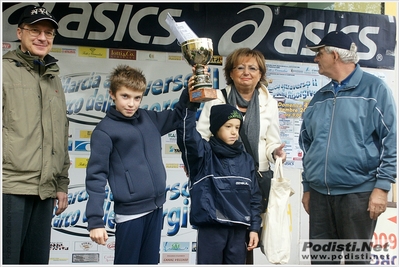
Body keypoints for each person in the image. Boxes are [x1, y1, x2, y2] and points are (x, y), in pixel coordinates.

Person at [299, 31, 397, 264]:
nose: (315, 59)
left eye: (319, 53)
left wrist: (382, 188)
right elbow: (307, 144)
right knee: (322, 262)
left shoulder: (375, 90)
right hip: (320, 197)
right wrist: (307, 187)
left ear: (334, 55)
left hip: (358, 196)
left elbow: (390, 140)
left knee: (355, 261)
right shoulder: (319, 97)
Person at [85, 65, 186, 264]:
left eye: (137, 98)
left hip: (156, 208)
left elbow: (177, 116)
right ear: (112, 94)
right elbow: (96, 178)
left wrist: (190, 92)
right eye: (125, 96)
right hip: (130, 214)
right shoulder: (104, 131)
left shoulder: (149, 118)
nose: (131, 104)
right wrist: (95, 221)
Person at [194, 48, 286, 263]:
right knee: (217, 239)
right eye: (240, 67)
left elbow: (271, 139)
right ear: (231, 73)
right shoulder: (217, 97)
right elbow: (202, 136)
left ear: (260, 74)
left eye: (253, 68)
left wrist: (275, 151)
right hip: (221, 180)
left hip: (255, 178)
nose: (247, 72)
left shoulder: (269, 102)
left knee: (245, 239)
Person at [2, 5, 70, 264]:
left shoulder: (53, 77)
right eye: (35, 31)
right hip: (9, 187)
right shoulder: (4, 71)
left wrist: (61, 184)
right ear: (19, 33)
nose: (43, 37)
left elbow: (61, 134)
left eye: (49, 33)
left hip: (45, 190)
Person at [176, 84, 262, 264]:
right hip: (212, 231)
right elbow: (187, 135)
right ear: (215, 128)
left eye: (237, 127)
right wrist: (191, 103)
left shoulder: (246, 159)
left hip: (239, 232)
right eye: (228, 126)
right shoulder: (203, 155)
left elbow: (254, 197)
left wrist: (255, 228)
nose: (233, 132)